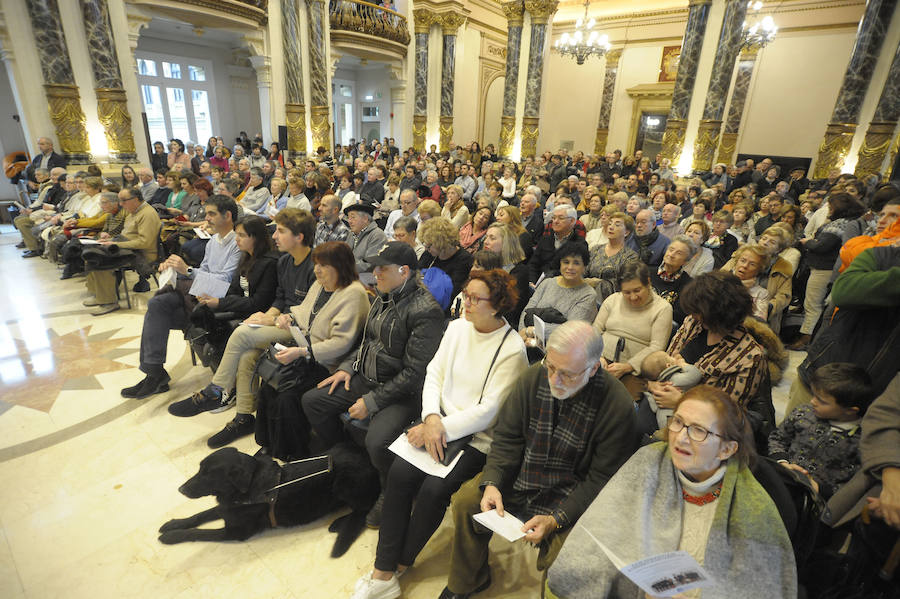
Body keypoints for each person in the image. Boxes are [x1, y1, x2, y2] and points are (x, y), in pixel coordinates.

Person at [351, 270, 528, 599]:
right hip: (437, 422)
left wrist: (439, 427)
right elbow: (434, 373)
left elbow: (488, 411)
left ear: (498, 305)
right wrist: (431, 416)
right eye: (466, 294)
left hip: (476, 438)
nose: (467, 303)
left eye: (476, 299)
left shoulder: (511, 348)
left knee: (435, 489)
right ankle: (383, 570)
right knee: (400, 475)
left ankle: (400, 564)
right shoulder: (458, 327)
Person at [438, 321, 637, 599]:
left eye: (567, 374)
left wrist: (556, 520)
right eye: (551, 366)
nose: (554, 379)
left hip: (571, 493)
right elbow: (507, 437)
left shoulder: (617, 406)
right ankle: (469, 579)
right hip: (523, 475)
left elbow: (600, 480)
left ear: (593, 369)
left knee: (568, 558)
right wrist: (494, 481)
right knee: (467, 502)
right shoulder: (533, 378)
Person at [547, 386, 796, 599]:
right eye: (678, 422)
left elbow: (754, 589)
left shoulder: (754, 507)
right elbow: (600, 541)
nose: (681, 438)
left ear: (726, 449)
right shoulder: (648, 463)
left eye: (699, 430)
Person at [301, 242, 446, 526]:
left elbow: (415, 373)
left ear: (404, 271)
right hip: (367, 378)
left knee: (377, 441)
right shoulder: (383, 296)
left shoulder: (425, 311)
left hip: (403, 393)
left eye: (382, 268)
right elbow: (368, 344)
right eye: (375, 266)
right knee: (313, 401)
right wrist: (346, 369)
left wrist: (373, 401)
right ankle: (351, 462)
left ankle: (390, 490)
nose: (375, 272)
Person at [167, 208, 317, 448]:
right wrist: (267, 315)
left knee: (242, 333)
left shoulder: (314, 266)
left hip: (302, 329)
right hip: (282, 320)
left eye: (281, 231)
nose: (275, 236)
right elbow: (280, 297)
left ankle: (217, 391)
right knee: (247, 356)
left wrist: (275, 318)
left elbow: (311, 311)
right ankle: (244, 417)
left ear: (299, 237)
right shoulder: (286, 260)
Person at [254, 242, 371, 460]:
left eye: (324, 265)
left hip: (331, 364)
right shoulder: (320, 285)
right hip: (306, 354)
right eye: (316, 264)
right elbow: (304, 312)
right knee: (270, 385)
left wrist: (304, 352)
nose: (317, 270)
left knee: (287, 396)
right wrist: (289, 318)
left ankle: (292, 453)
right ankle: (269, 443)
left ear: (340, 266)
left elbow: (341, 343)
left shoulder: (354, 293)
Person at [120, 196, 242, 398]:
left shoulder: (237, 243)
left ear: (227, 215)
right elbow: (203, 270)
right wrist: (175, 270)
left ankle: (155, 375)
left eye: (211, 213)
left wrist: (188, 270)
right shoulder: (213, 241)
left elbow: (225, 282)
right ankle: (154, 372)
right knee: (158, 303)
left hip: (219, 298)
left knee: (160, 307)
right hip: (200, 291)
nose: (207, 218)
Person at [648, 272, 768, 417]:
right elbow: (666, 361)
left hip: (698, 423)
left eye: (699, 312)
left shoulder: (749, 357)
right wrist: (653, 384)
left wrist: (680, 401)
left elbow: (729, 413)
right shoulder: (693, 323)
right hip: (660, 403)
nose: (693, 315)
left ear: (720, 314)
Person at [768, 363, 874, 499]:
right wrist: (782, 462)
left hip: (816, 501)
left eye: (821, 401)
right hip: (781, 478)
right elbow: (778, 438)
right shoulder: (803, 413)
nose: (812, 402)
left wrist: (821, 490)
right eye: (813, 395)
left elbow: (855, 483)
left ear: (850, 410)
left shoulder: (863, 442)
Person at [789, 193, 866, 350]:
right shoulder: (849, 222)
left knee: (812, 304)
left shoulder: (839, 224)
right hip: (826, 268)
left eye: (831, 207)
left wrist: (808, 242)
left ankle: (806, 339)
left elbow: (822, 246)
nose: (828, 210)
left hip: (823, 269)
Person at [83, 188, 162, 315]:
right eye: (120, 200)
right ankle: (99, 295)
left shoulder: (147, 214)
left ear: (136, 199)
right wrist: (110, 238)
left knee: (100, 260)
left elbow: (145, 242)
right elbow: (127, 234)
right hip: (128, 248)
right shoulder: (133, 211)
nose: (120, 204)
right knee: (91, 253)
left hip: (141, 254)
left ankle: (109, 302)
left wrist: (116, 244)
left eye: (123, 201)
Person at [593, 261, 672, 382]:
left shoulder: (662, 308)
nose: (633, 297)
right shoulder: (613, 299)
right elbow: (595, 330)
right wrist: (598, 356)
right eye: (627, 292)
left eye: (637, 290)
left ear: (648, 283)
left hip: (635, 370)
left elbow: (657, 346)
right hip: (600, 359)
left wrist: (628, 367)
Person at [519, 242, 597, 348]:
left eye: (576, 263)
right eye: (566, 262)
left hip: (562, 348)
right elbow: (526, 311)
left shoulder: (588, 295)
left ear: (584, 267)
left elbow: (570, 331)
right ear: (560, 263)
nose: (570, 267)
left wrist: (531, 331)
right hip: (528, 341)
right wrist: (523, 333)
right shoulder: (547, 283)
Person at [480, 222, 530, 324]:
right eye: (486, 237)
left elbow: (509, 310)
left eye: (492, 238)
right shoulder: (483, 264)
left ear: (506, 243)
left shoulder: (519, 272)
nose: (486, 242)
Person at [417, 217, 475, 300]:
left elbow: (450, 293)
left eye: (429, 246)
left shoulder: (464, 260)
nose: (426, 249)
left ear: (442, 243)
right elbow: (416, 277)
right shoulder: (429, 254)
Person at [585, 211, 639, 300]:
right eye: (610, 224)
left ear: (626, 232)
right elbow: (584, 271)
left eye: (617, 225)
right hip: (587, 294)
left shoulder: (631, 256)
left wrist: (599, 283)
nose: (611, 227)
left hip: (614, 300)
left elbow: (625, 283)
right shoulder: (596, 249)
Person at [528, 205, 587, 283]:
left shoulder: (579, 243)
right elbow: (533, 264)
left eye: (561, 218)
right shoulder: (546, 239)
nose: (555, 221)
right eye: (554, 218)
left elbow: (574, 270)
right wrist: (531, 282)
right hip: (539, 282)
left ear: (572, 221)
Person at [650, 235, 697, 326]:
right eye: (671, 250)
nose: (671, 255)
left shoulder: (689, 285)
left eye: (679, 253)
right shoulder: (647, 272)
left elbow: (679, 316)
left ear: (686, 261)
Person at [727, 244, 771, 321]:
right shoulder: (720, 280)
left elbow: (758, 322)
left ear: (759, 270)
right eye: (742, 260)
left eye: (752, 264)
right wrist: (739, 286)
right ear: (736, 261)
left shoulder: (761, 294)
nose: (745, 266)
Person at [345, 203, 388, 276]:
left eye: (353, 217)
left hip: (366, 278)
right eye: (348, 218)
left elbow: (369, 265)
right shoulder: (351, 234)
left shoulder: (377, 235)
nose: (349, 221)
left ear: (365, 219)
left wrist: (344, 267)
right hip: (349, 275)